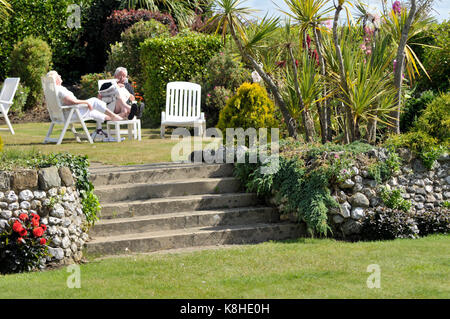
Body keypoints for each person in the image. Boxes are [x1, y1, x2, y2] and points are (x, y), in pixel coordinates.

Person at [46, 70, 122, 139]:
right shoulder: (60, 89)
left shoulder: (52, 90)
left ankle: (114, 117)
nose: (60, 76)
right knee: (94, 101)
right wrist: (86, 102)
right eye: (58, 75)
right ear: (55, 80)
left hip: (65, 114)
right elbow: (70, 101)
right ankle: (114, 116)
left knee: (93, 112)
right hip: (71, 113)